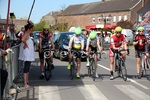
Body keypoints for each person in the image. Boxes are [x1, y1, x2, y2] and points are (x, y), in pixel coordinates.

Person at [18, 21, 34, 87]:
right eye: (32, 28)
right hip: (27, 54)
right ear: (29, 29)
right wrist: (26, 44)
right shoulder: (26, 34)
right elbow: (22, 39)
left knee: (27, 67)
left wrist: (30, 23)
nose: (33, 30)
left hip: (29, 54)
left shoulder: (27, 34)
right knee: (26, 68)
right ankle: (25, 83)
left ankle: (26, 81)